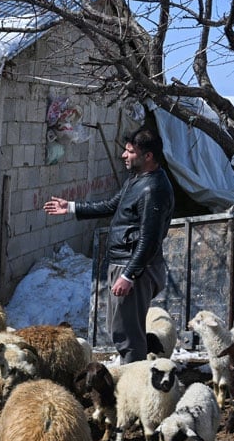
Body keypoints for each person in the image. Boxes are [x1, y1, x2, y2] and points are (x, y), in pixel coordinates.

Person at [44, 126, 174, 364]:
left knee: (128, 335)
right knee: (120, 328)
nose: (124, 155)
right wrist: (71, 207)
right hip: (125, 264)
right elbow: (112, 205)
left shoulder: (153, 189)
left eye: (130, 152)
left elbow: (149, 240)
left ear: (148, 156)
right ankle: (135, 371)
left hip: (135, 267)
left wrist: (129, 275)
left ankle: (134, 380)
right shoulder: (137, 179)